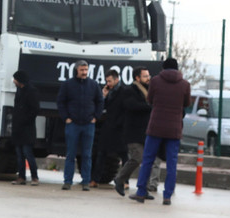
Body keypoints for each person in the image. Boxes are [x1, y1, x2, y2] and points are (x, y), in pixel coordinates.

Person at [129, 58, 190, 205]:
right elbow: (186, 103)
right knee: (172, 163)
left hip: (155, 126)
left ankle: (141, 192)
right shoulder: (185, 84)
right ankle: (167, 196)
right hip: (174, 129)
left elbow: (149, 100)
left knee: (148, 160)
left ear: (164, 68)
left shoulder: (155, 81)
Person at [56, 59, 103, 191]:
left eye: (86, 70)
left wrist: (96, 117)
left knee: (87, 154)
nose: (84, 72)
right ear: (76, 70)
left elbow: (100, 101)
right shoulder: (68, 85)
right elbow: (61, 102)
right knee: (70, 154)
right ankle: (67, 181)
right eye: (82, 70)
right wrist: (66, 117)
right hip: (73, 124)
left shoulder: (93, 85)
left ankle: (86, 182)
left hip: (88, 124)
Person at [114, 66, 160, 197]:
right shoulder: (130, 91)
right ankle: (120, 178)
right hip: (133, 132)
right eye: (145, 76)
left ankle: (143, 189)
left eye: (149, 76)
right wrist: (149, 107)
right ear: (137, 78)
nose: (148, 78)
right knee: (137, 157)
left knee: (148, 160)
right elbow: (131, 105)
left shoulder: (150, 91)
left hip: (147, 132)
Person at [90, 69, 126, 187]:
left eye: (110, 81)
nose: (108, 84)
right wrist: (103, 96)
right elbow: (102, 107)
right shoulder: (109, 92)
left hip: (119, 127)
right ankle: (95, 179)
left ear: (117, 80)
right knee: (101, 153)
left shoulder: (123, 91)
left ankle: (125, 181)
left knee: (124, 155)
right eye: (107, 81)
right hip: (109, 126)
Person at [11, 70, 40, 185]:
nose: (14, 81)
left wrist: (24, 120)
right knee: (19, 155)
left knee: (28, 153)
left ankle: (35, 177)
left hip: (27, 129)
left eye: (15, 79)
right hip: (18, 129)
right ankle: (21, 177)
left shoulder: (32, 91)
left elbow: (35, 110)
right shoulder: (19, 91)